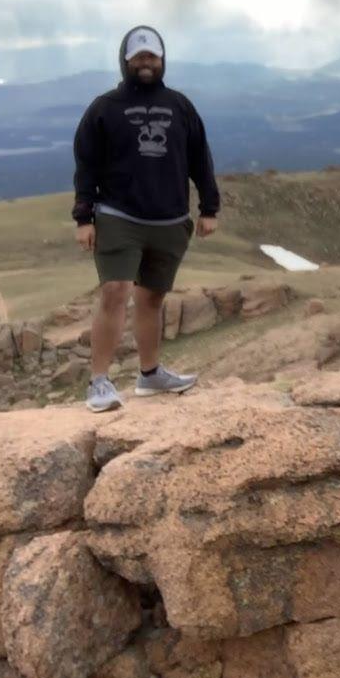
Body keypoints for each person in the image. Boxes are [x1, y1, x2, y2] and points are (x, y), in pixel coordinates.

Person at [72, 25, 221, 412]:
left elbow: (199, 159)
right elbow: (86, 165)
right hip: (118, 214)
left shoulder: (181, 106)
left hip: (170, 219)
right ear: (125, 61)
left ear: (162, 60)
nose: (145, 63)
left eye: (151, 56)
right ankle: (99, 383)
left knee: (152, 297)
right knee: (115, 291)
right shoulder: (104, 108)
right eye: (138, 57)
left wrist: (209, 208)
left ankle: (150, 375)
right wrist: (83, 217)